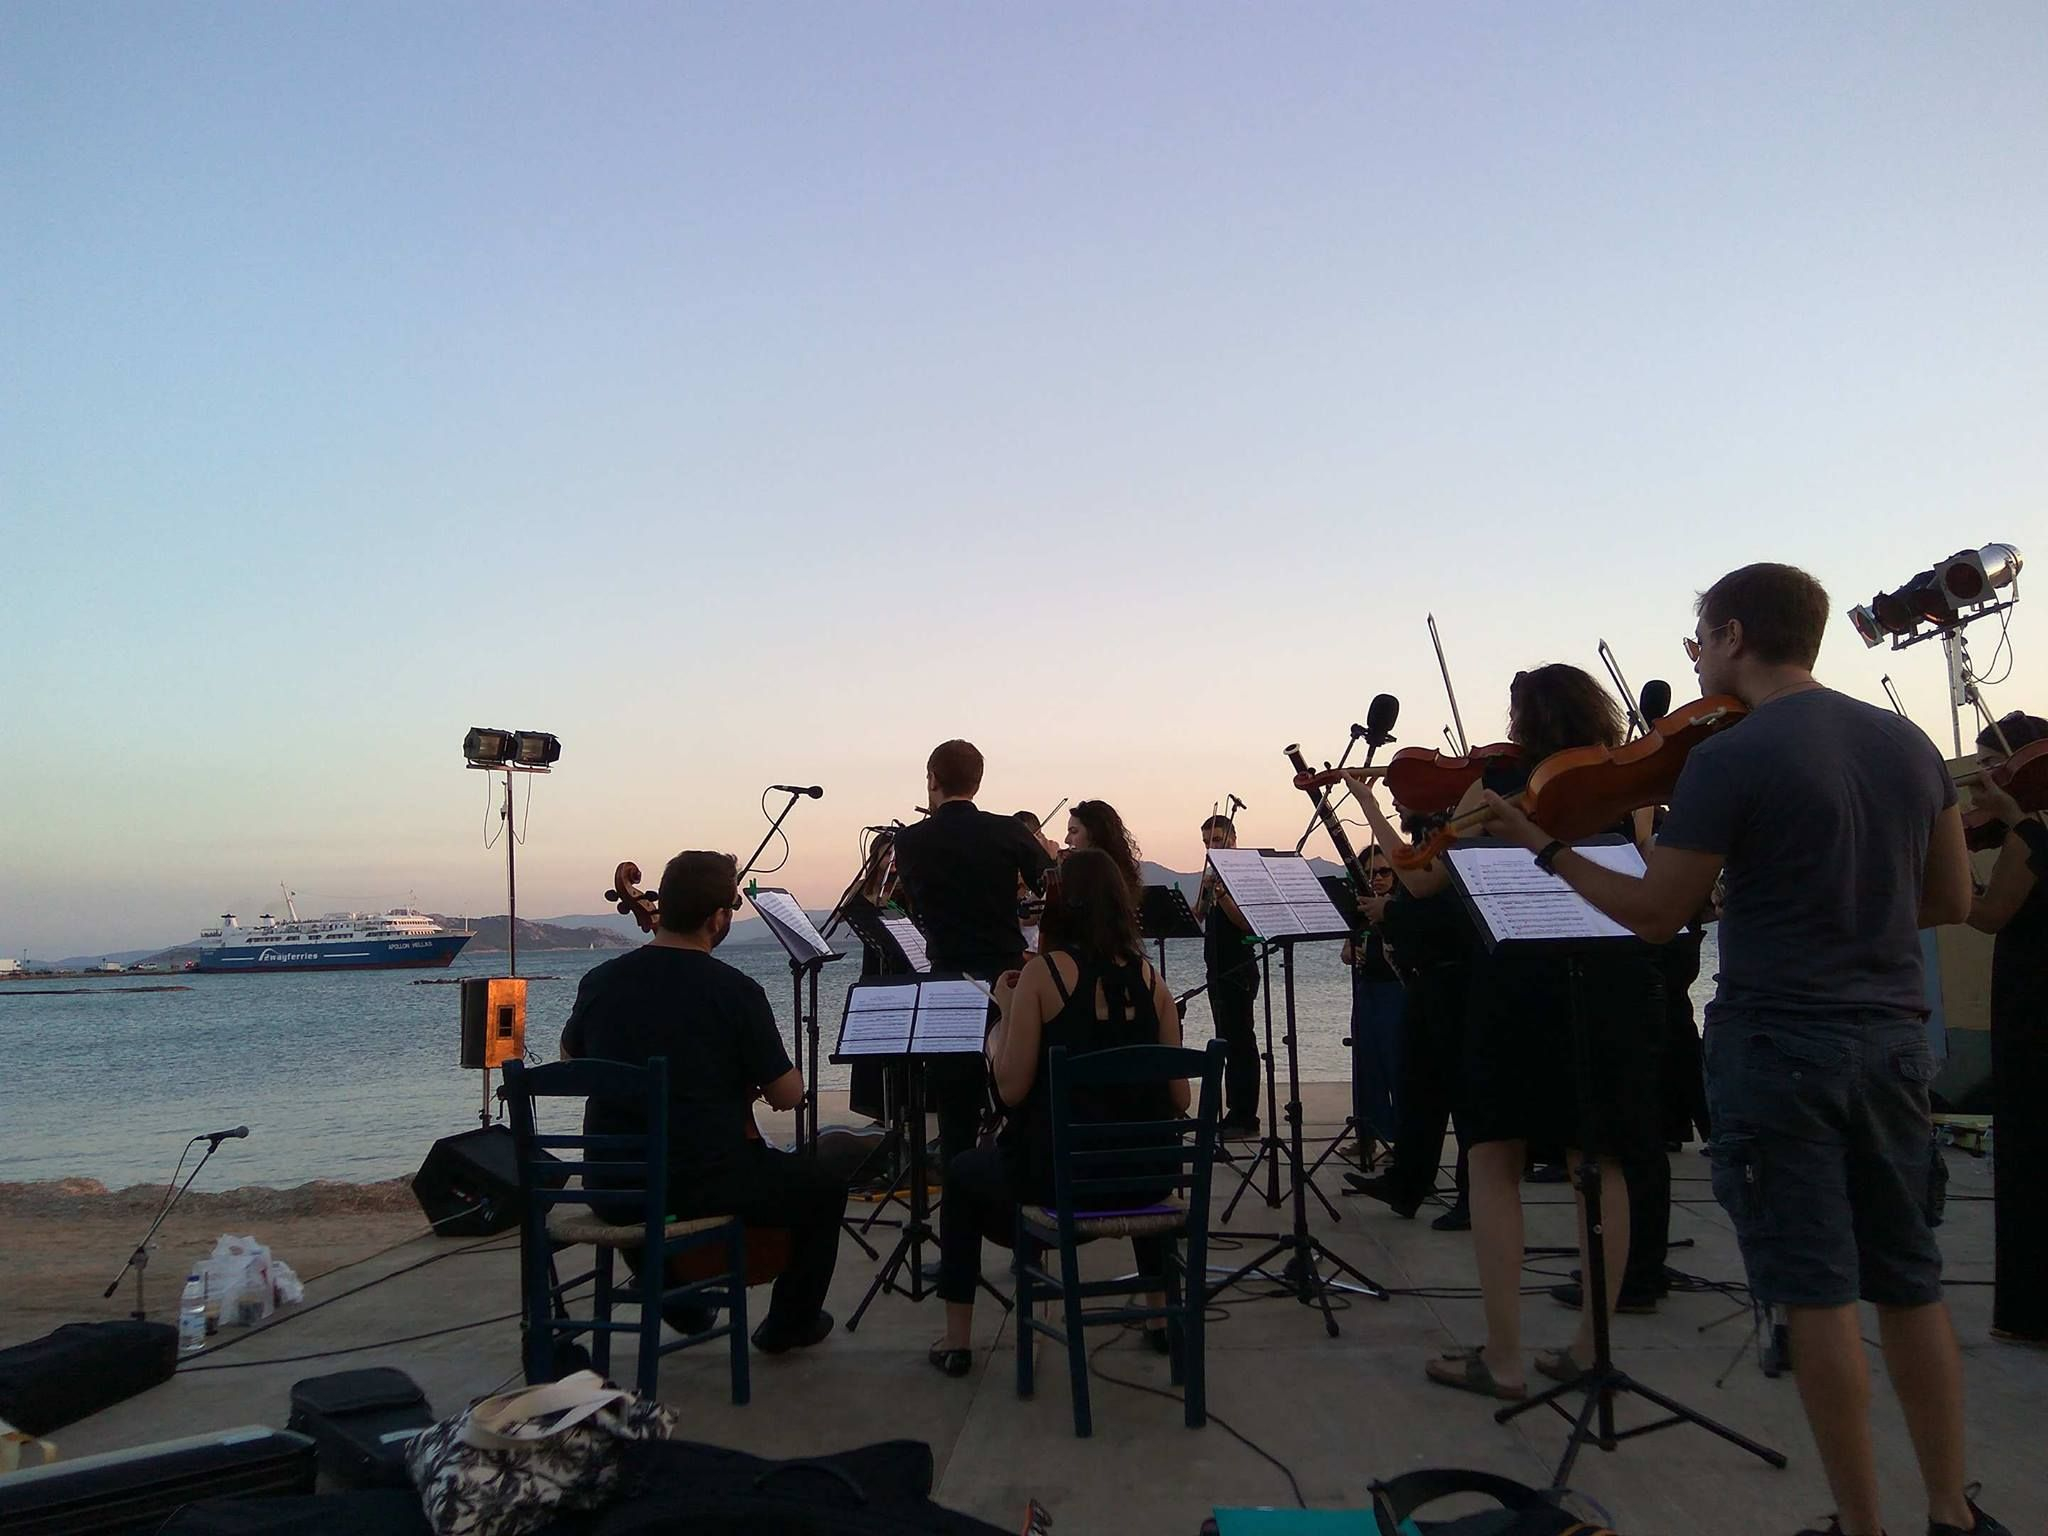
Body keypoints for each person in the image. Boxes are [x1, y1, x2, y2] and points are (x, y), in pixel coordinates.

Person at [1474, 563, 2006, 1536]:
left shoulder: (1732, 754)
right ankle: (1949, 1514)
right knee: (1908, 1280)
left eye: (1700, 639)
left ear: (1731, 636)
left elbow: (1653, 914)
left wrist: (1544, 850)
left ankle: (1858, 1524)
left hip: (1779, 1041)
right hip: (1893, 1040)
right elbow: (1949, 900)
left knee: (1817, 1294)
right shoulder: (1907, 741)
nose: (1694, 657)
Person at [1354, 665, 1664, 1401]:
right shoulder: (1627, 785)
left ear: (1523, 722)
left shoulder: (1497, 781)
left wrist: (1373, 812)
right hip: (1610, 977)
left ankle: (1503, 1357)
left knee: (1494, 1157)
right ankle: (1589, 1349)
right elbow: (1649, 877)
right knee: (1602, 1161)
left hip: (1518, 978)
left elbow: (1420, 878)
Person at [560, 850, 846, 1354]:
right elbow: (787, 1095)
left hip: (612, 1186)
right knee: (823, 1184)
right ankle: (789, 1324)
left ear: (664, 906)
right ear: (717, 919)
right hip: (697, 1186)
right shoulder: (735, 991)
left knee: (661, 1183)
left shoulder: (599, 980)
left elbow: (570, 1062)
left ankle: (682, 1302)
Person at [926, 849, 1191, 1375]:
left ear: (1061, 905)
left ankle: (956, 1339)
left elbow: (1011, 1091)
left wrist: (1004, 1016)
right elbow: (1179, 1099)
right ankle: (1161, 1316)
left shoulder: (1043, 976)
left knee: (962, 1172)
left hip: (1060, 1184)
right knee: (1126, 1139)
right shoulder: (1151, 980)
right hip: (1146, 1178)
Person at [890, 740, 1054, 1174]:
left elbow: (916, 902)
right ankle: (1017, 1185)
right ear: (978, 782)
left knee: (955, 1104)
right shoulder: (1007, 830)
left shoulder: (910, 840)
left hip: (948, 977)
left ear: (932, 779)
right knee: (1016, 1088)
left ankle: (959, 1190)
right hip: (1007, 975)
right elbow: (1051, 887)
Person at [1962, 710, 2047, 1349]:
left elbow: (1991, 917)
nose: (1984, 779)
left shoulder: (2030, 838)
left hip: (2031, 1005)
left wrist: (1953, 886)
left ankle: (2029, 1313)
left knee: (2028, 1155)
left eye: (1994, 766)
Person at [1345, 811, 1473, 1231]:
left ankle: (1472, 1198)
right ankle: (1406, 1183)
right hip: (1424, 981)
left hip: (1456, 981)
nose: (1396, 802)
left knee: (1462, 1098)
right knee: (1419, 1091)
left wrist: (1390, 912)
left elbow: (1445, 915)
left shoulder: (1455, 838)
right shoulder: (1424, 842)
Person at [1194, 813, 1261, 1137]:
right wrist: (1206, 892)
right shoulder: (1212, 874)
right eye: (1206, 842)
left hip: (1239, 968)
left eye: (1218, 840)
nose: (1212, 846)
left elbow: (1247, 923)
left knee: (1241, 1042)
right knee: (1226, 1039)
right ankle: (1233, 1112)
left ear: (1233, 839)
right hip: (1216, 968)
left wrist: (1221, 894)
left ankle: (1245, 1116)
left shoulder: (1244, 875)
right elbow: (1199, 915)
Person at [1340, 851, 1405, 1155]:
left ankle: (1405, 1141)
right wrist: (1350, 951)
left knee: (1397, 1063)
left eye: (1384, 872)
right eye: (1370, 873)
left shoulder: (1401, 906)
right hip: (1367, 989)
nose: (1377, 878)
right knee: (1365, 1063)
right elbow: (1347, 947)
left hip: (1396, 992)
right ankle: (1367, 1135)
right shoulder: (1360, 907)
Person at [1064, 799, 1144, 908]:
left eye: (1074, 831)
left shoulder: (1096, 882)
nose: (1066, 840)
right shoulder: (1121, 877)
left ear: (1095, 834)